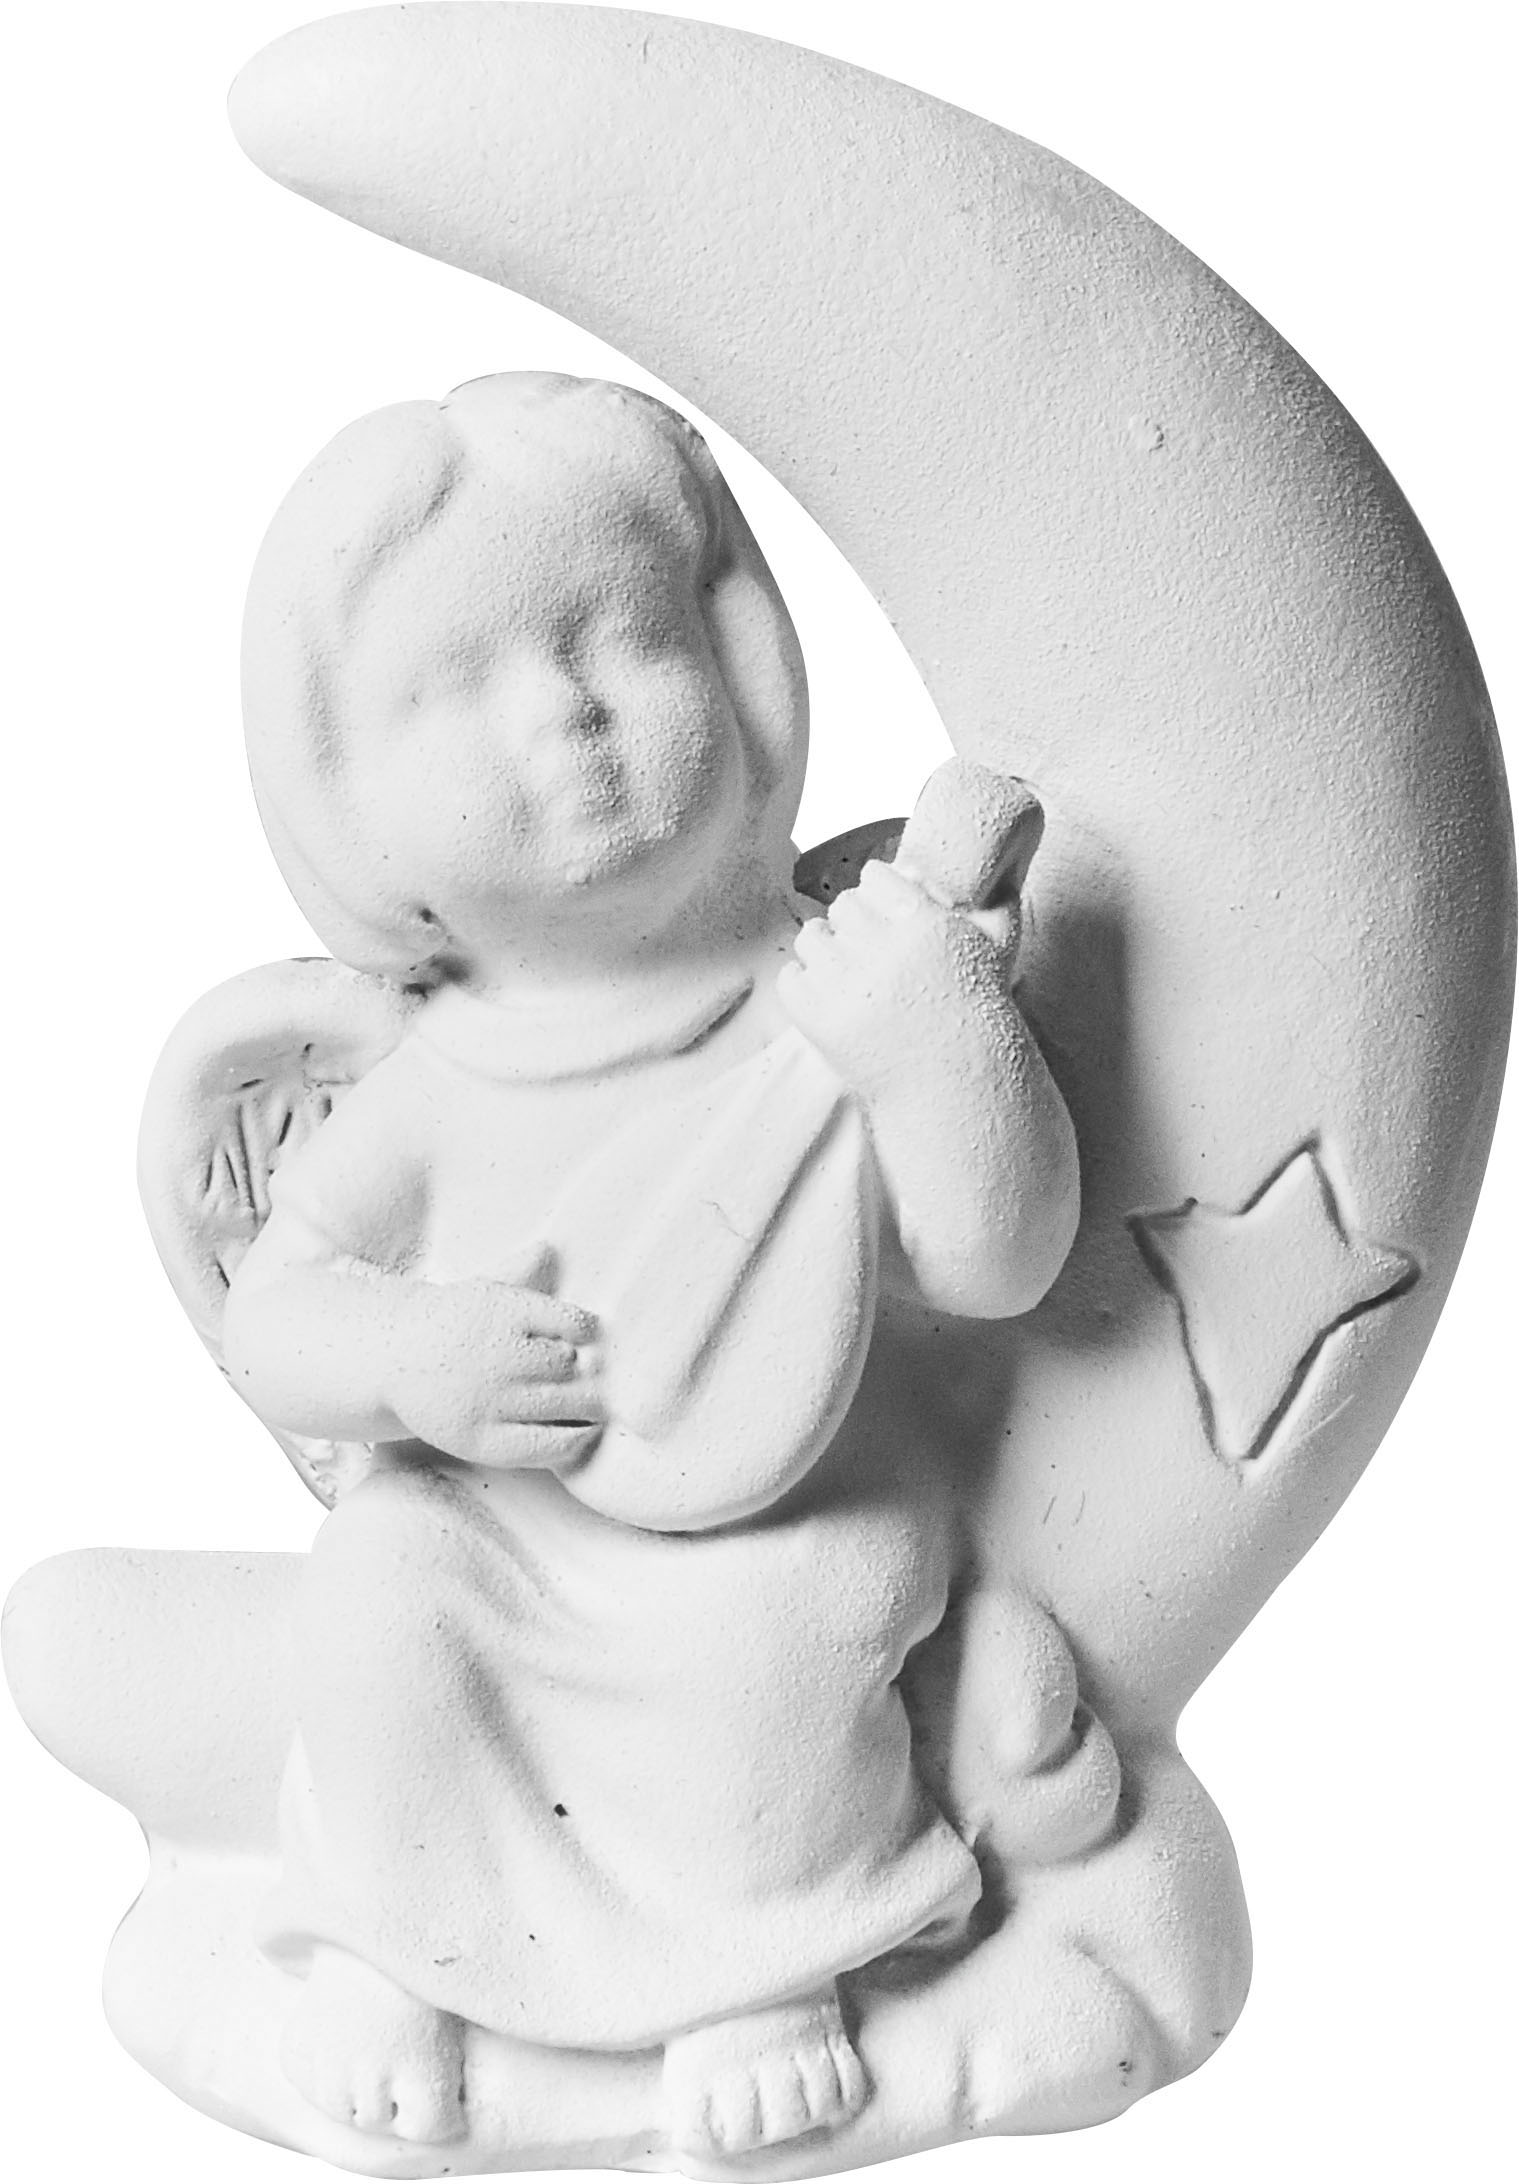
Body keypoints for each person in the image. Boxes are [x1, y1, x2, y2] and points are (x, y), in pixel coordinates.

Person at [223, 373, 1078, 2154]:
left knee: (798, 1625)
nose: (569, 710)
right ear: (344, 802)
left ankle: (762, 1967)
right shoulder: (444, 1074)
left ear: (745, 670)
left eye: (626, 634)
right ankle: (406, 1939)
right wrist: (410, 1360)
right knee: (379, 1592)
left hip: (790, 1509)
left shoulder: (839, 982)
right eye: (459, 687)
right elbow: (277, 1313)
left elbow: (999, 1265)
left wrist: (938, 1045)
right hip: (500, 1526)